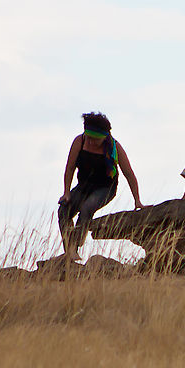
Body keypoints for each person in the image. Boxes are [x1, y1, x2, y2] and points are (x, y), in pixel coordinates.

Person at [58, 112, 144, 261]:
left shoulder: (115, 148)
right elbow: (70, 168)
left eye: (95, 140)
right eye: (89, 138)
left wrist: (137, 200)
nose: (91, 142)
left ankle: (74, 247)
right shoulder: (79, 141)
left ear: (104, 137)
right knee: (63, 210)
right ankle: (69, 251)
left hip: (105, 188)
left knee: (87, 208)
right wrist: (66, 192)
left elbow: (129, 174)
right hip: (84, 186)